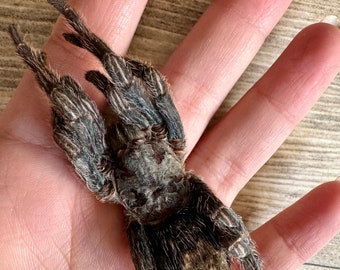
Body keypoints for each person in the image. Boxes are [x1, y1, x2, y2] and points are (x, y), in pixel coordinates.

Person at [0, 1, 339, 269]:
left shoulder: (111, 185)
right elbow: (154, 84)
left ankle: (38, 61)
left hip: (153, 211)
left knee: (76, 117)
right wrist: (112, 64)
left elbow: (140, 90)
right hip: (156, 161)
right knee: (111, 93)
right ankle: (71, 42)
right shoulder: (168, 137)